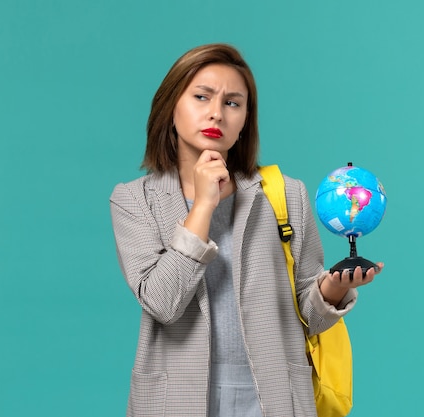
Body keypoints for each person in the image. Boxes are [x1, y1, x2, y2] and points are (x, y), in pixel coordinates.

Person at [110, 43, 383, 417]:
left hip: (274, 400)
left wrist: (333, 289)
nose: (216, 113)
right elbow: (162, 303)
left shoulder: (287, 195)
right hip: (176, 401)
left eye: (232, 103)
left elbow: (313, 318)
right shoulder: (134, 200)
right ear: (170, 106)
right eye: (201, 97)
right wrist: (204, 205)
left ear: (245, 121)